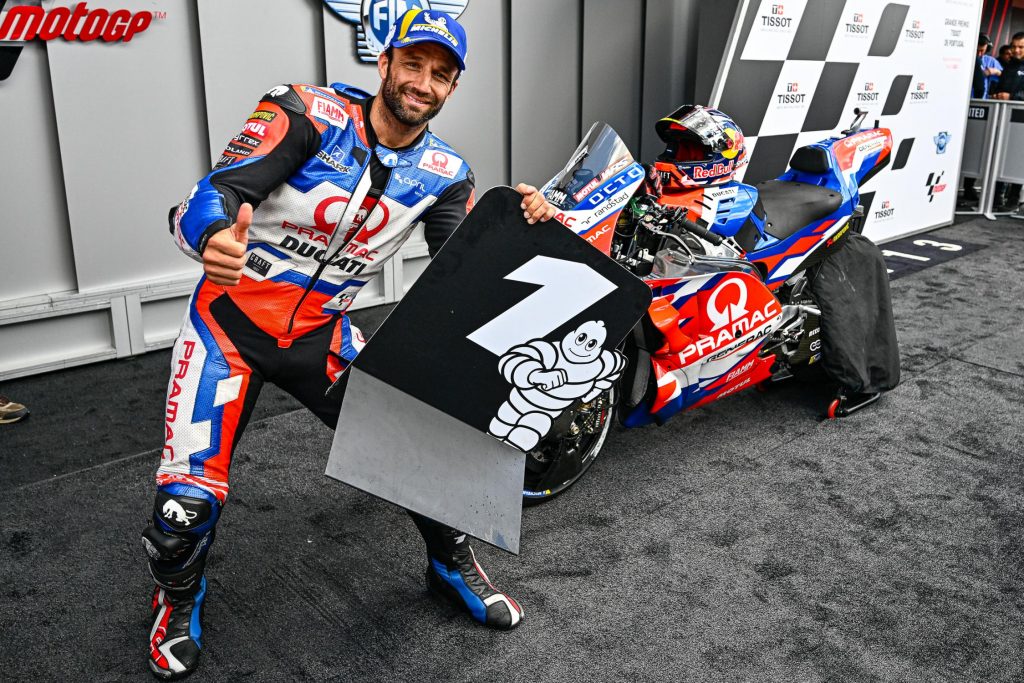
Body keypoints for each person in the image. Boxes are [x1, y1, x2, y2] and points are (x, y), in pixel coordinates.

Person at [143, 9, 556, 679]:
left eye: (440, 74)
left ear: (453, 87)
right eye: (412, 64)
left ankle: (450, 566)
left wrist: (527, 222)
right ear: (385, 63)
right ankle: (178, 597)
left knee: (430, 447)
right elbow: (214, 192)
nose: (422, 83)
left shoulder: (446, 171)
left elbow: (469, 269)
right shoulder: (307, 112)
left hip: (321, 335)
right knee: (182, 510)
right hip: (227, 329)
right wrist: (212, 237)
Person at [991, 31, 1024, 211]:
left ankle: (1013, 199)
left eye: (1021, 47)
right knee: (998, 155)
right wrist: (996, 94)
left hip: (1020, 120)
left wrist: (1012, 97)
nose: (1016, 50)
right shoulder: (1010, 65)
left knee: (1017, 158)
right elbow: (999, 86)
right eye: (1014, 46)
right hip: (1003, 118)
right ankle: (996, 197)